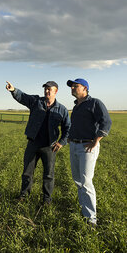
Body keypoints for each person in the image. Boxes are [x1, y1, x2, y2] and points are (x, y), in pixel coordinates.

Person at [6, 81, 70, 204]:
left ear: (55, 91)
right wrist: (14, 90)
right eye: (45, 89)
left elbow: (68, 128)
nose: (46, 91)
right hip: (33, 143)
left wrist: (61, 142)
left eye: (49, 89)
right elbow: (23, 97)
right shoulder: (36, 102)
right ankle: (23, 196)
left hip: (49, 146)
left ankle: (46, 199)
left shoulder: (62, 109)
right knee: (27, 172)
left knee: (49, 174)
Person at [67, 78, 112, 226]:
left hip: (88, 147)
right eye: (72, 86)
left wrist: (96, 140)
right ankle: (84, 209)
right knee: (78, 180)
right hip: (74, 145)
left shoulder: (95, 103)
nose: (73, 88)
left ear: (85, 88)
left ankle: (91, 219)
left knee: (86, 182)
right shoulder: (77, 106)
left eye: (76, 86)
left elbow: (106, 122)